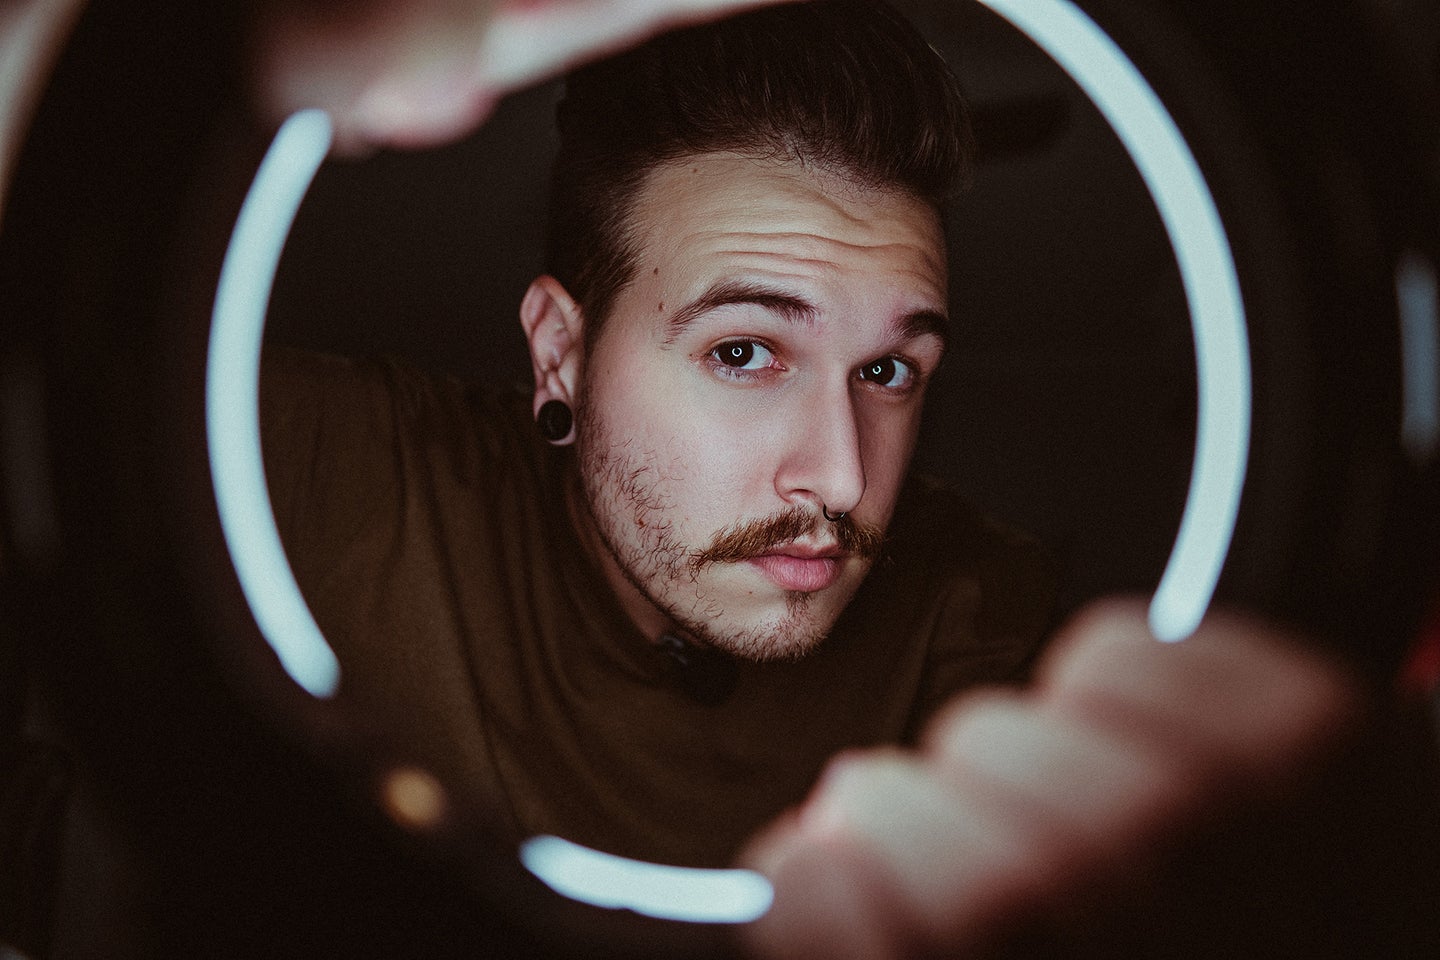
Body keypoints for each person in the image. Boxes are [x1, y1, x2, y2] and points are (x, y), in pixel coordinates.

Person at [259, 0, 1056, 868]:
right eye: (745, 351)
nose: (841, 480)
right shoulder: (320, 468)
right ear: (561, 353)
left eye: (887, 371)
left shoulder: (985, 621)